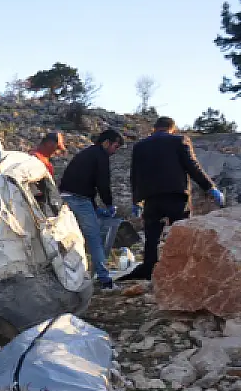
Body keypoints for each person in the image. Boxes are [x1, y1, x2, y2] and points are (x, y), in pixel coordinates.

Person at [120, 116, 225, 281]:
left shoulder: (140, 146)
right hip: (176, 196)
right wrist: (210, 188)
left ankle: (149, 270)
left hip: (151, 198)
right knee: (182, 233)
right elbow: (192, 166)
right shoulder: (179, 140)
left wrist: (136, 200)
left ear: (154, 128)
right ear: (172, 128)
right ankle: (182, 270)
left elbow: (135, 175)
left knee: (152, 236)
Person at [59, 129, 124, 290]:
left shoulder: (86, 154)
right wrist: (109, 205)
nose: (115, 152)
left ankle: (67, 276)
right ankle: (104, 280)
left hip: (63, 198)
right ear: (106, 143)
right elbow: (102, 184)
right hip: (79, 200)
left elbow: (83, 182)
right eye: (115, 147)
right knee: (94, 239)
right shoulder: (101, 156)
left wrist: (95, 208)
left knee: (67, 239)